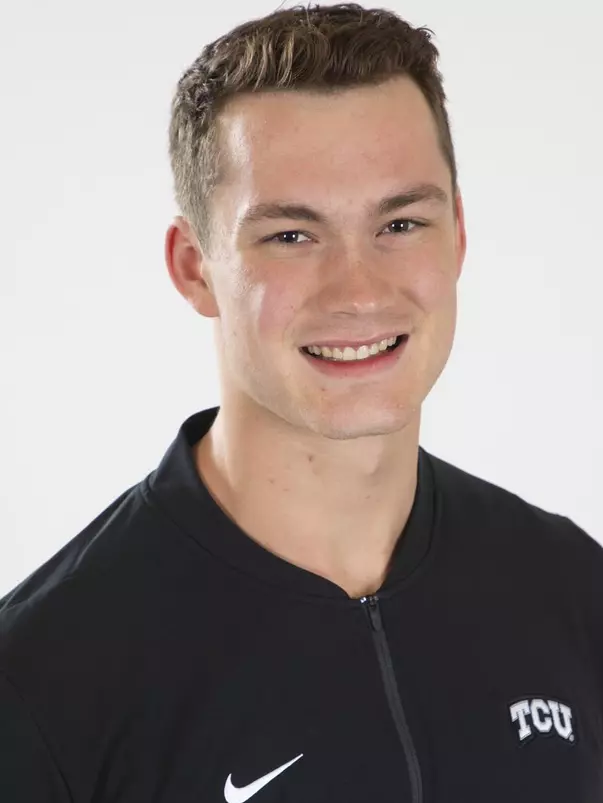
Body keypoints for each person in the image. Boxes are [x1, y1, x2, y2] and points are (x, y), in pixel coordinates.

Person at [1, 3, 601, 801]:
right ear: (193, 266)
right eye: (290, 235)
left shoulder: (570, 589)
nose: (358, 291)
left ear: (456, 236)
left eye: (400, 222)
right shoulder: (42, 677)